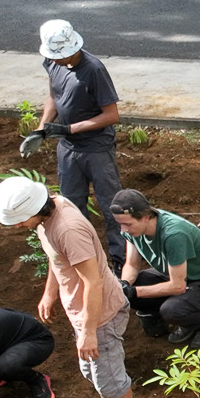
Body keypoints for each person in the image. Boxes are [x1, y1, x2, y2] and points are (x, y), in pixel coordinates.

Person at [0, 177, 142, 398]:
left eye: (19, 221)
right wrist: (50, 293)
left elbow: (93, 282)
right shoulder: (49, 213)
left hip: (101, 316)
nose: (16, 227)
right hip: (84, 313)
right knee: (94, 373)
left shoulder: (68, 228)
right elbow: (56, 258)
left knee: (110, 379)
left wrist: (89, 332)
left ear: (35, 209)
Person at [27, 19, 125, 265]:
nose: (55, 60)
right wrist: (41, 129)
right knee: (71, 205)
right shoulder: (52, 61)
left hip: (97, 149)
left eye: (59, 56)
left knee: (111, 206)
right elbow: (54, 96)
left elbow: (112, 115)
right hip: (68, 149)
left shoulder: (93, 70)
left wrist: (69, 128)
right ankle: (85, 256)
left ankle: (120, 260)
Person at [109, 189, 200, 350]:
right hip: (175, 272)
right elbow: (132, 265)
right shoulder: (133, 230)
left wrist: (134, 291)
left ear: (146, 217)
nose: (124, 229)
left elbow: (177, 286)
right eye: (120, 224)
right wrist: (124, 285)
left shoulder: (174, 234)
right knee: (127, 287)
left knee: (172, 310)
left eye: (128, 224)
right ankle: (180, 316)